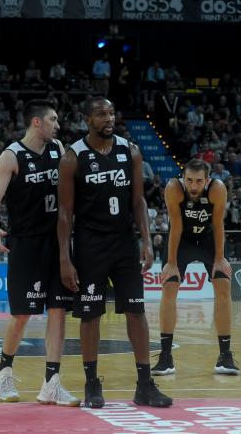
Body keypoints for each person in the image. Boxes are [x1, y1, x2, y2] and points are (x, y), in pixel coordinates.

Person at [58, 97, 172, 409]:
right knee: (91, 314)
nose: (108, 118)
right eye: (100, 114)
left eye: (111, 113)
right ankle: (92, 383)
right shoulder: (73, 157)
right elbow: (65, 213)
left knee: (136, 310)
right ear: (87, 120)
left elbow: (138, 202)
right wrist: (65, 258)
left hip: (124, 242)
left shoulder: (130, 150)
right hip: (89, 245)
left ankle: (145, 384)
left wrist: (147, 241)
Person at [0, 99, 79, 406]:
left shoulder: (57, 150)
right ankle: (3, 371)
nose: (57, 124)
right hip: (26, 244)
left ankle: (52, 383)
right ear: (36, 122)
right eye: (53, 119)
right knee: (22, 315)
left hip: (57, 243)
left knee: (58, 311)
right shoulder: (11, 156)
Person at [157, 159, 236, 376]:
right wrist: (171, 263)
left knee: (223, 286)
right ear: (183, 178)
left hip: (209, 240)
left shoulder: (217, 189)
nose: (193, 186)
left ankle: (225, 355)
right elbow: (176, 226)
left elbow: (218, 224)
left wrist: (219, 258)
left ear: (207, 180)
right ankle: (165, 357)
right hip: (182, 240)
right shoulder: (174, 188)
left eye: (198, 181)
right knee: (169, 287)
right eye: (189, 180)